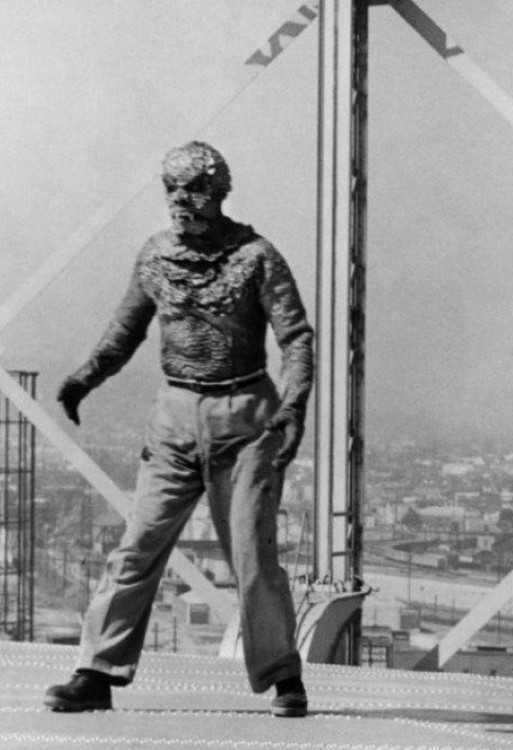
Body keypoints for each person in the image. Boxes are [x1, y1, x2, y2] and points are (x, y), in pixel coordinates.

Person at [45, 141, 312, 718]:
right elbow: (126, 329)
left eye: (193, 189)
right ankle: (96, 671)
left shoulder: (255, 257)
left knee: (251, 553)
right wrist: (86, 377)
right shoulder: (155, 256)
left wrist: (294, 407)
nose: (181, 201)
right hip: (173, 418)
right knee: (138, 544)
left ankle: (282, 675)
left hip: (245, 418)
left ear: (218, 194)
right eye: (172, 189)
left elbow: (295, 337)